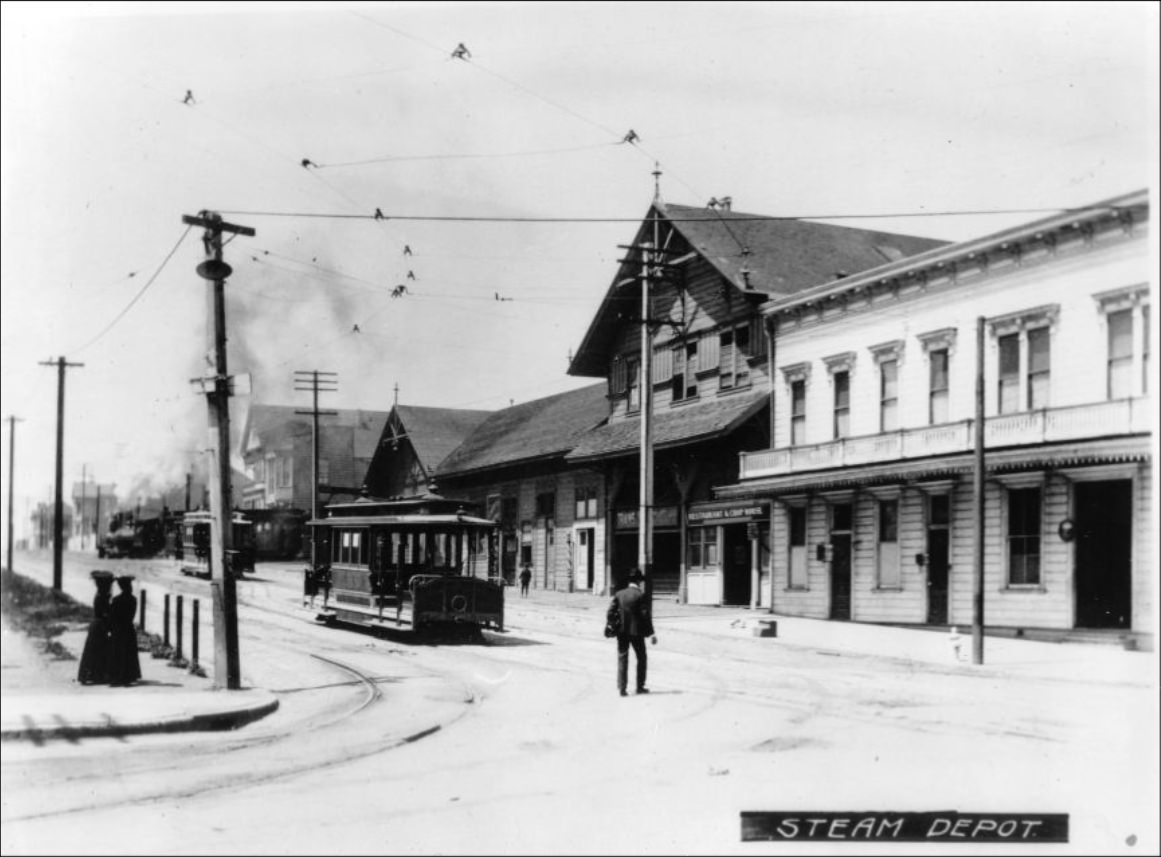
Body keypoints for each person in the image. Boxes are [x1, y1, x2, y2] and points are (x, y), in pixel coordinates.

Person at [611, 568, 657, 696]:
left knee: (622, 657)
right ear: (638, 581)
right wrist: (651, 633)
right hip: (637, 633)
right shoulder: (640, 595)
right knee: (641, 657)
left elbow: (610, 612)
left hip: (621, 632)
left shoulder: (619, 594)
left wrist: (613, 626)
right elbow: (645, 615)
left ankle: (622, 688)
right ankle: (640, 686)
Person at [77, 570, 114, 685]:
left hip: (98, 625)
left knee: (95, 650)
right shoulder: (101, 597)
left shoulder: (101, 595)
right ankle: (96, 674)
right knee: (98, 650)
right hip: (100, 625)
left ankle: (94, 674)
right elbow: (104, 612)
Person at [106, 575, 142, 687]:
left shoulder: (116, 600)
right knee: (128, 652)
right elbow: (131, 615)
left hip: (118, 630)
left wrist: (110, 628)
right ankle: (128, 675)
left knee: (117, 652)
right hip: (128, 628)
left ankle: (117, 676)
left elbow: (112, 616)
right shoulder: (133, 600)